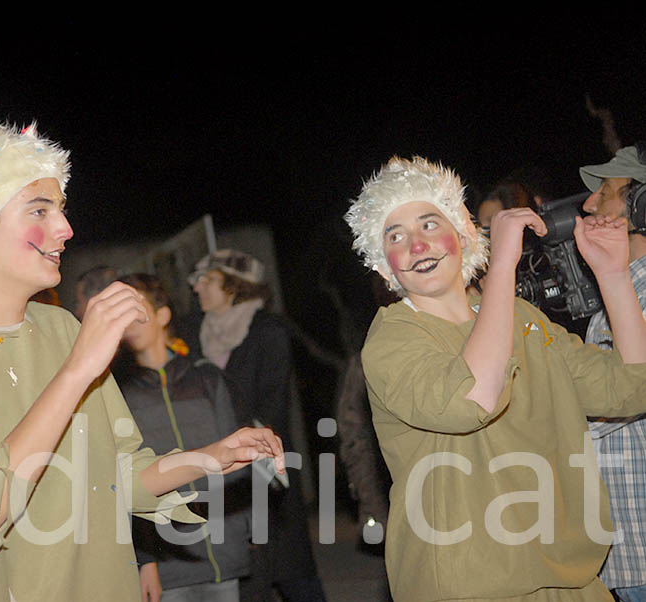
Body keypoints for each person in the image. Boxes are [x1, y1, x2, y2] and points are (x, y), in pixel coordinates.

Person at [0, 120, 284, 602]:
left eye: (60, 209)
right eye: (39, 209)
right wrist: (76, 370)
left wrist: (209, 457)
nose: (65, 228)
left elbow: (119, 477)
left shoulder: (63, 330)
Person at [344, 155, 646, 601]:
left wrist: (614, 276)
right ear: (386, 265)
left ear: (463, 236)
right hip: (471, 584)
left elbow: (630, 388)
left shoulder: (520, 317)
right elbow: (472, 398)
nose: (416, 245)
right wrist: (503, 266)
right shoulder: (393, 338)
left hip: (569, 577)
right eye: (396, 235)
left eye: (429, 224)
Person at [179, 249, 327, 602]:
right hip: (215, 471)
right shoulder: (189, 332)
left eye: (207, 280)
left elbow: (272, 406)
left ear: (233, 286)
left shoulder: (267, 331)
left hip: (264, 469)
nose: (197, 288)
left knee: (292, 575)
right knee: (242, 581)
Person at [116, 272, 251, 602]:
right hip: (167, 561)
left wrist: (247, 528)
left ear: (162, 315)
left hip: (222, 548)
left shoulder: (206, 378)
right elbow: (123, 480)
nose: (130, 321)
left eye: (138, 308)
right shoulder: (118, 393)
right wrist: (144, 561)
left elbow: (239, 459)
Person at [579, 143, 646, 602]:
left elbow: (616, 400)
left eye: (604, 191)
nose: (587, 204)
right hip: (623, 545)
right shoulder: (615, 297)